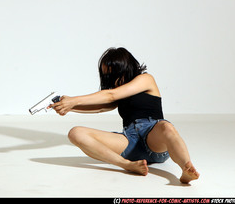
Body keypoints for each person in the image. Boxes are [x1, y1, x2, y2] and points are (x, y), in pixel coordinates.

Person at [49, 47, 200, 184]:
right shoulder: (117, 92)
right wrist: (69, 107)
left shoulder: (145, 79)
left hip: (155, 137)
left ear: (126, 68)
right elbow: (102, 107)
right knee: (76, 133)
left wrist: (74, 100)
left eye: (114, 74)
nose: (111, 80)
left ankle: (187, 168)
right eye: (107, 76)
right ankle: (127, 165)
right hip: (130, 140)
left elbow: (110, 96)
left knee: (167, 126)